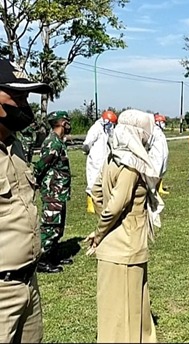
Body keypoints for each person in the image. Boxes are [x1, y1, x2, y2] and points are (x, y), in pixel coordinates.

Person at [84, 109, 163, 343]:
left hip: (116, 246)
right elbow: (117, 205)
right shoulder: (131, 164)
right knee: (124, 311)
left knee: (124, 305)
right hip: (126, 248)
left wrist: (106, 227)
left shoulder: (113, 157)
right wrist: (100, 232)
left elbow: (97, 193)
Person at [0, 58, 51, 344]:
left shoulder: (15, 144)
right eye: (16, 96)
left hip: (28, 283)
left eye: (26, 97)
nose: (24, 105)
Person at [33, 110, 72, 273]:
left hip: (59, 191)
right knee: (50, 225)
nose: (69, 124)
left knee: (58, 225)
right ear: (62, 123)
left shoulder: (58, 141)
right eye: (67, 121)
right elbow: (41, 166)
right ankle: (41, 260)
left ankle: (52, 255)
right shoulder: (53, 143)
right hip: (52, 191)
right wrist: (34, 182)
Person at [83, 110, 117, 214]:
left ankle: (100, 201)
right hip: (95, 158)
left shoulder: (107, 130)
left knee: (102, 180)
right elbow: (87, 143)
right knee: (93, 179)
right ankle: (90, 203)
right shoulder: (96, 128)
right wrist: (87, 151)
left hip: (104, 158)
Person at [149, 113, 169, 195]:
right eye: (163, 122)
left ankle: (158, 188)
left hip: (162, 155)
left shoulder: (160, 132)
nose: (164, 124)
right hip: (156, 155)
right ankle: (152, 189)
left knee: (161, 171)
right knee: (155, 172)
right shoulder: (153, 132)